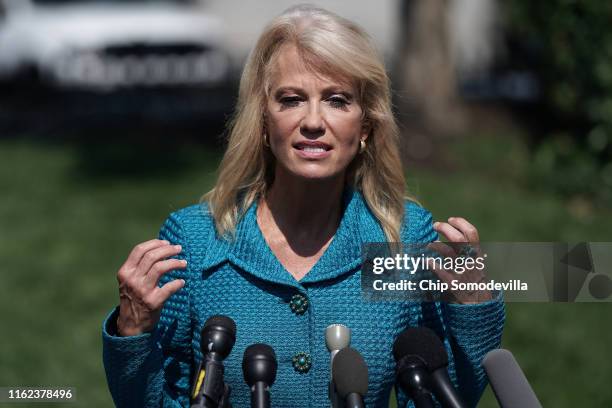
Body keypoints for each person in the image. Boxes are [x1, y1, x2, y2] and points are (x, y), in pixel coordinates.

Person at [102, 5, 504, 407]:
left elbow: (439, 400)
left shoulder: (404, 238)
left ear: (365, 125)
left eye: (337, 100)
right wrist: (133, 333)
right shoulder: (193, 241)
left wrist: (474, 311)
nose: (313, 121)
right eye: (292, 100)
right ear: (262, 119)